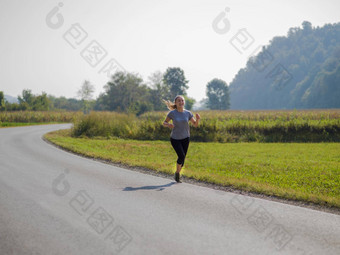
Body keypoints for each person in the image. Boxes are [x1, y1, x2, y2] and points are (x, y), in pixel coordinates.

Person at [163, 95, 200, 183]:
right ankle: (178, 174)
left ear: (184, 102)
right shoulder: (172, 113)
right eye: (179, 101)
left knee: (182, 159)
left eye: (182, 101)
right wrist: (169, 125)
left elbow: (195, 124)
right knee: (181, 156)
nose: (181, 102)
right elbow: (164, 123)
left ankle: (177, 173)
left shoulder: (188, 113)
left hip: (185, 138)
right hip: (175, 138)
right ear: (175, 103)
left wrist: (198, 119)